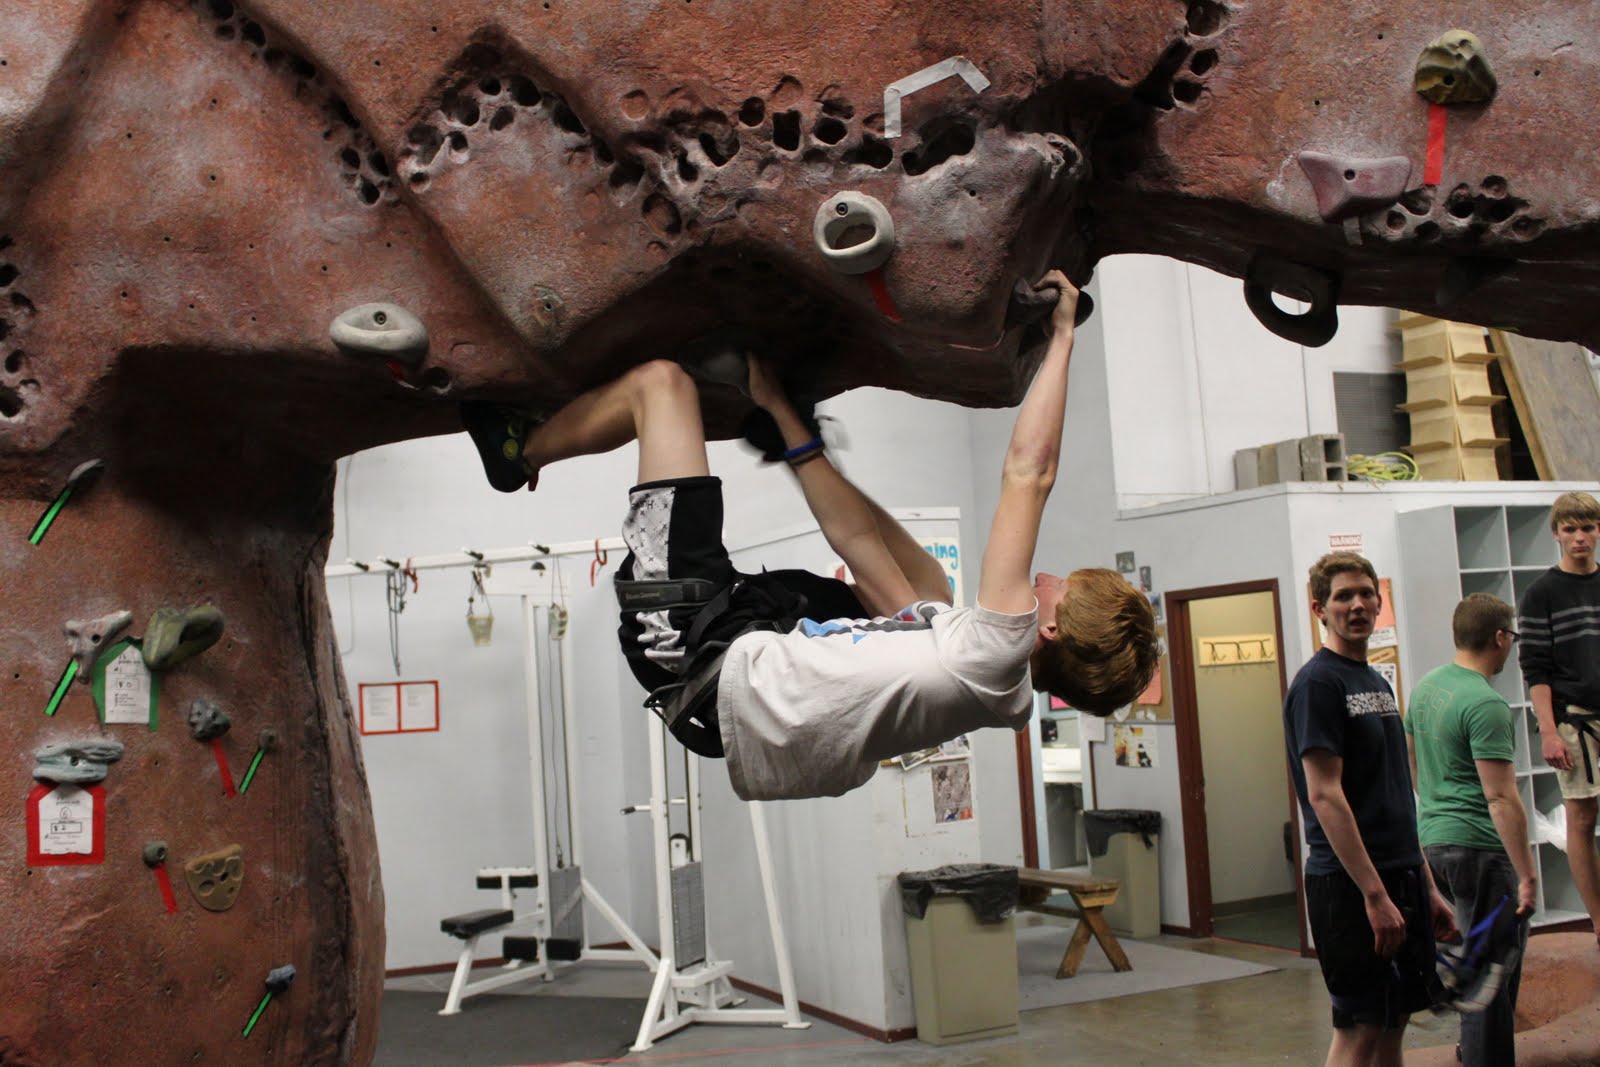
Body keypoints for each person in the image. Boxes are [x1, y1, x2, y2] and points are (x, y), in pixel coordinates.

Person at [461, 272, 1158, 800]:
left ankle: (519, 453)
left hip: (688, 648)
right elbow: (857, 539)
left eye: (1062, 590)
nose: (1047, 581)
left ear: (1054, 630)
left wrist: (1063, 336)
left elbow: (1028, 473)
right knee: (924, 589)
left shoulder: (997, 649)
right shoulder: (983, 678)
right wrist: (783, 419)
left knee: (662, 385)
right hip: (737, 657)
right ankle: (791, 429)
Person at [1283, 552, 1458, 1067]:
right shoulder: (1318, 685)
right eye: (1343, 596)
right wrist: (1375, 896)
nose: (1357, 605)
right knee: (1359, 1028)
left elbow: (1396, 794)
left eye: (1365, 593)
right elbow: (1324, 795)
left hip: (1399, 874)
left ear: (1380, 601)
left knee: (1393, 1022)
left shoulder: (1376, 682)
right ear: (1319, 608)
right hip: (1349, 885)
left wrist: (1424, 886)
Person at [1405, 592, 1537, 1067]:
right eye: (1513, 638)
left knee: (1479, 964)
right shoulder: (1486, 704)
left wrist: (1436, 816)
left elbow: (1415, 767)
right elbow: (1500, 798)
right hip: (1481, 848)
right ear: (1501, 638)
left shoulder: (1426, 688)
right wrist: (1526, 873)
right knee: (1491, 983)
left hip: (1435, 840)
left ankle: (1469, 1047)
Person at [1518, 490, 1600, 947]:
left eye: (1587, 527)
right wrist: (1549, 731)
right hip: (1573, 719)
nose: (1579, 537)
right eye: (1570, 529)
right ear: (1556, 535)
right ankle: (1598, 919)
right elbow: (1536, 669)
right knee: (1582, 817)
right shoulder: (1541, 594)